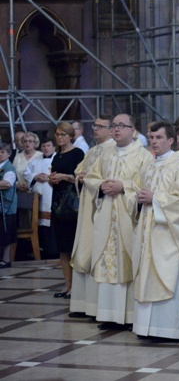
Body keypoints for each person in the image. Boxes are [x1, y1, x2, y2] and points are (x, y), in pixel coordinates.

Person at [80, 114, 154, 328]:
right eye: (114, 126)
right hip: (106, 217)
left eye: (123, 126)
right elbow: (91, 178)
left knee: (127, 261)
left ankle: (128, 316)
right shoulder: (105, 153)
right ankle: (108, 315)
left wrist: (124, 187)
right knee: (106, 261)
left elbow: (148, 184)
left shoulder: (143, 156)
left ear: (133, 130)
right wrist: (102, 186)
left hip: (128, 217)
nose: (117, 129)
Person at [132, 121, 179, 341]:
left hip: (169, 236)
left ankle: (168, 331)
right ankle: (146, 329)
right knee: (147, 278)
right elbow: (140, 193)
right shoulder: (149, 165)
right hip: (148, 232)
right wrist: (140, 199)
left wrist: (155, 199)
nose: (154, 142)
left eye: (159, 138)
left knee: (167, 278)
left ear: (171, 140)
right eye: (151, 138)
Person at [68, 115, 115, 317]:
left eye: (100, 126)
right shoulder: (93, 151)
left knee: (96, 250)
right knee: (83, 248)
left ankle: (97, 307)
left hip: (102, 206)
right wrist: (79, 177)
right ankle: (82, 304)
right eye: (94, 125)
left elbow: (107, 179)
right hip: (87, 206)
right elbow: (80, 173)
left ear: (111, 129)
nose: (95, 129)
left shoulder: (114, 151)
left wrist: (92, 180)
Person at [49, 122, 85, 298]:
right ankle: (67, 284)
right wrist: (52, 179)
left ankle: (76, 287)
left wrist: (65, 177)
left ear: (70, 136)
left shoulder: (77, 154)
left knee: (73, 246)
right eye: (57, 134)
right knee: (62, 247)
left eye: (63, 134)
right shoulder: (57, 156)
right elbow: (55, 175)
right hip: (57, 202)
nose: (60, 137)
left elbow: (82, 177)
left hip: (72, 203)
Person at [23, 138, 57, 258]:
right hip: (38, 198)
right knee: (40, 224)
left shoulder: (57, 158)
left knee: (51, 224)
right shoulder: (35, 160)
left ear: (54, 147)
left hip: (52, 194)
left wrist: (48, 178)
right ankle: (42, 249)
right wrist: (35, 176)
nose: (46, 148)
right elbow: (26, 174)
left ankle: (54, 251)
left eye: (48, 145)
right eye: (44, 146)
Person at [0, 144, 18, 269]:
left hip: (7, 206)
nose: (0, 154)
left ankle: (6, 259)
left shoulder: (9, 167)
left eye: (2, 152)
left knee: (6, 232)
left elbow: (7, 183)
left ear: (8, 154)